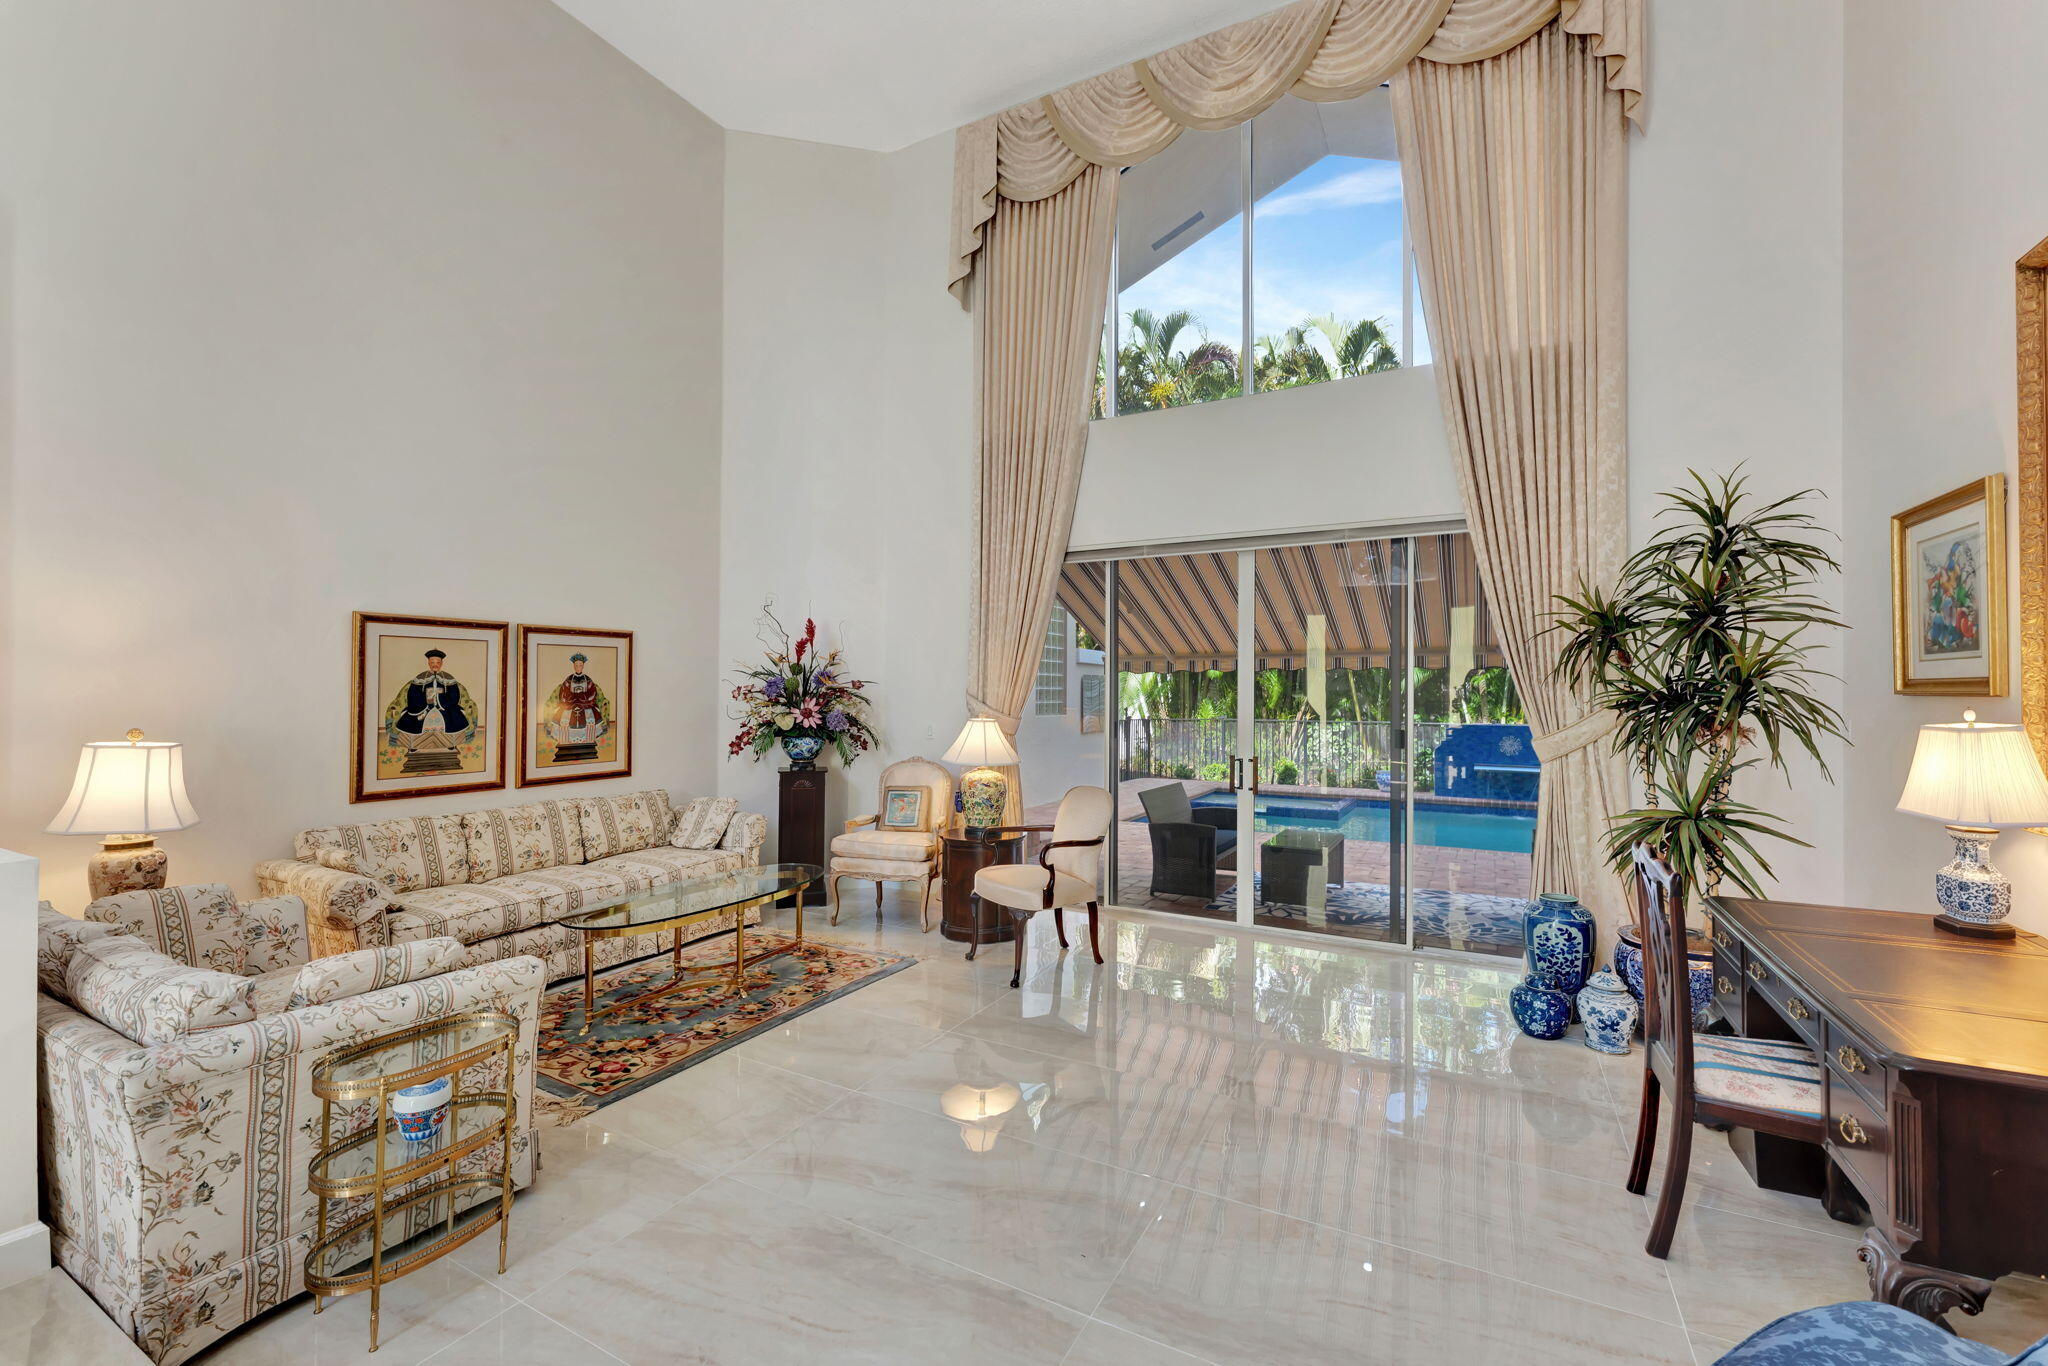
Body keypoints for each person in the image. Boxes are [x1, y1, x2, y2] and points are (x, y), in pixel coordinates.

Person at [384, 649, 478, 770]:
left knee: (453, 720)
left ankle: (450, 744)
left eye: (437, 662)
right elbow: (412, 695)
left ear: (441, 663)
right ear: (428, 663)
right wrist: (426, 703)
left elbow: (455, 696)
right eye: (432, 662)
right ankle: (415, 745)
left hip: (445, 708)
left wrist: (441, 701)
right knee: (412, 722)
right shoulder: (420, 678)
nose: (435, 664)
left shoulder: (449, 679)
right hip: (422, 708)